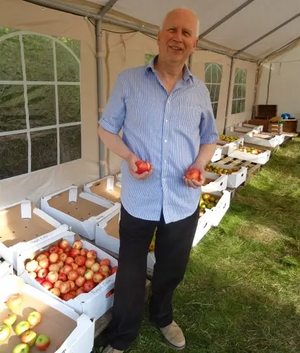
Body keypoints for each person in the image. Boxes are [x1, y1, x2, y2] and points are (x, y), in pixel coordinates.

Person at [99, 8, 219, 353]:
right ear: (159, 35)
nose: (177, 38)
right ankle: (123, 335)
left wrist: (199, 163)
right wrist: (130, 157)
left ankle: (162, 316)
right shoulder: (129, 80)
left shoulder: (199, 91)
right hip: (140, 198)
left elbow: (209, 137)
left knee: (171, 268)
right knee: (131, 273)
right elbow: (106, 130)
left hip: (183, 200)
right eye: (171, 30)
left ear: (194, 43)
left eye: (185, 33)